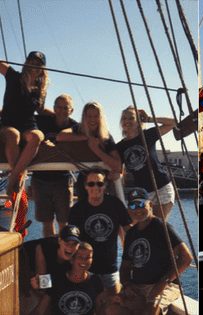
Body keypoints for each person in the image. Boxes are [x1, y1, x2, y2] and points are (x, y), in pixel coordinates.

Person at [119, 188, 192, 315]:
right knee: (111, 308)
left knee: (149, 311)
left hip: (165, 285)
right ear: (128, 209)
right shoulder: (131, 234)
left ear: (150, 205)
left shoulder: (162, 227)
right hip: (138, 286)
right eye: (132, 205)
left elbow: (186, 258)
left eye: (141, 204)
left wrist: (164, 282)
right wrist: (127, 285)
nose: (137, 209)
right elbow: (125, 267)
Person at [68, 168, 131, 294]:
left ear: (105, 185)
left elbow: (128, 230)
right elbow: (71, 239)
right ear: (86, 186)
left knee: (113, 303)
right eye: (91, 184)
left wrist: (129, 257)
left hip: (110, 268)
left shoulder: (115, 204)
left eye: (100, 183)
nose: (95, 187)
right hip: (85, 268)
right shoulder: (77, 209)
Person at [31, 94, 79, 237]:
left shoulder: (75, 126)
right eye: (58, 107)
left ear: (71, 110)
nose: (62, 110)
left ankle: (63, 252)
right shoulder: (42, 121)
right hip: (40, 179)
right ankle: (50, 250)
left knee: (64, 221)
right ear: (54, 108)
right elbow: (25, 118)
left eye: (66, 107)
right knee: (46, 221)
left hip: (62, 180)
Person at [0, 51, 49, 193]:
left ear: (42, 69)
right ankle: (15, 182)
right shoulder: (14, 76)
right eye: (31, 62)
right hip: (8, 123)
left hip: (28, 125)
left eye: (38, 64)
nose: (34, 65)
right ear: (26, 63)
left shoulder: (40, 89)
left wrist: (61, 113)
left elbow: (40, 110)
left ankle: (13, 178)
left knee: (37, 136)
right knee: (13, 134)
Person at [116, 106, 177, 220]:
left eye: (131, 118)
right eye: (124, 118)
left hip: (162, 188)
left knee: (157, 225)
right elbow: (119, 170)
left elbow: (173, 122)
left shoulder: (148, 135)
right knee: (139, 227)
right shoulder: (120, 147)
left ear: (138, 121)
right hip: (142, 194)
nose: (127, 121)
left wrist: (149, 119)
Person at [22, 225, 81, 314]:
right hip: (22, 259)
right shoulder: (47, 247)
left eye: (74, 244)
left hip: (43, 273)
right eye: (67, 242)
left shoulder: (75, 259)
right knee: (38, 298)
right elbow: (42, 285)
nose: (70, 247)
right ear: (59, 241)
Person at [35, 242, 108, 315]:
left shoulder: (96, 280)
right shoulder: (56, 279)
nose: (84, 261)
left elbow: (100, 309)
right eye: (80, 257)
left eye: (88, 257)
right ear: (71, 260)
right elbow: (41, 309)